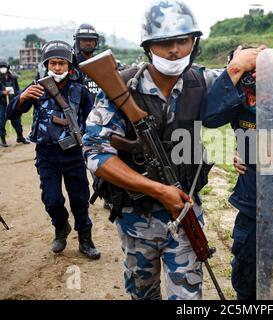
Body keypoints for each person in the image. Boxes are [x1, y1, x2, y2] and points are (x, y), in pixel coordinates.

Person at [83, 0, 221, 300]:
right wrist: (157, 189)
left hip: (184, 210)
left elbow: (242, 83)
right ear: (148, 45)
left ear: (194, 42)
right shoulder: (121, 87)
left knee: (187, 298)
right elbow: (96, 152)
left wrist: (246, 60)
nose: (174, 50)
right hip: (136, 218)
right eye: (164, 42)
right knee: (143, 293)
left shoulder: (203, 81)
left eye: (182, 41)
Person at [7, 40, 101, 259]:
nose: (57, 68)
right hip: (46, 154)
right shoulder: (36, 87)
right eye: (53, 63)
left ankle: (85, 239)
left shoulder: (80, 91)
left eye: (62, 63)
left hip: (73, 155)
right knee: (52, 199)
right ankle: (61, 228)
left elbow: (94, 118)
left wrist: (87, 137)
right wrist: (22, 98)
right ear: (46, 64)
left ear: (69, 65)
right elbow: (12, 113)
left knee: (79, 198)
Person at [201, 45, 265, 300]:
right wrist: (235, 69)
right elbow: (209, 116)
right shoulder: (239, 98)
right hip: (252, 200)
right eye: (248, 72)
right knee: (247, 271)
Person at [0, 58, 29, 147]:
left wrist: (18, 96)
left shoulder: (13, 78)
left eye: (4, 67)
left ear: (7, 68)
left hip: (13, 102)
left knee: (17, 120)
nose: (2, 69)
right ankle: (3, 139)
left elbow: (17, 89)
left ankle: (20, 137)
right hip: (2, 104)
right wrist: (2, 93)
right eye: (1, 67)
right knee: (1, 122)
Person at [73, 23, 101, 97]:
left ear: (95, 42)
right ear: (78, 42)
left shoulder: (100, 63)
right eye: (85, 40)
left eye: (91, 40)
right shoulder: (71, 64)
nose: (88, 43)